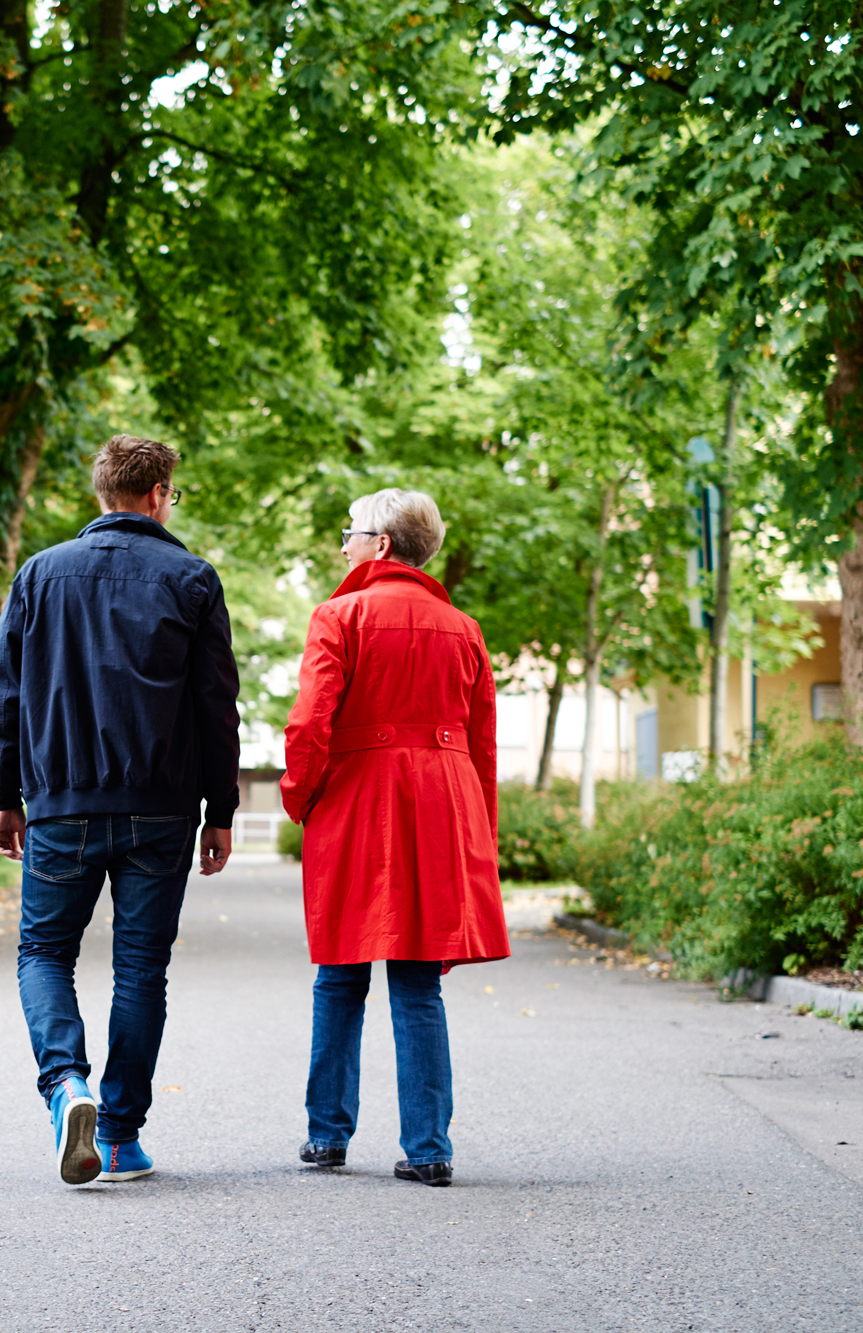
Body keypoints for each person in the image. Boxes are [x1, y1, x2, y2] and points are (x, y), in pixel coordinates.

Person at [0, 434, 241, 1186]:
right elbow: (215, 706)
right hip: (161, 810)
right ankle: (122, 1138)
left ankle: (67, 1086)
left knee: (44, 954)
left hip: (60, 803)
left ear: (103, 493)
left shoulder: (40, 574)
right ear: (158, 494)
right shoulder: (192, 578)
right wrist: (219, 809)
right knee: (141, 969)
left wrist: (6, 794)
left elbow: (6, 696)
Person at [279, 487, 509, 1187]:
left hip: (357, 801)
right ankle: (429, 1147)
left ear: (379, 544)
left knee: (340, 977)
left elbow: (310, 723)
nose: (342, 545)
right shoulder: (465, 628)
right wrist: (481, 836)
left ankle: (327, 1136)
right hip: (443, 806)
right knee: (416, 984)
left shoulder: (339, 616)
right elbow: (482, 746)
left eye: (348, 532)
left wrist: (301, 797)